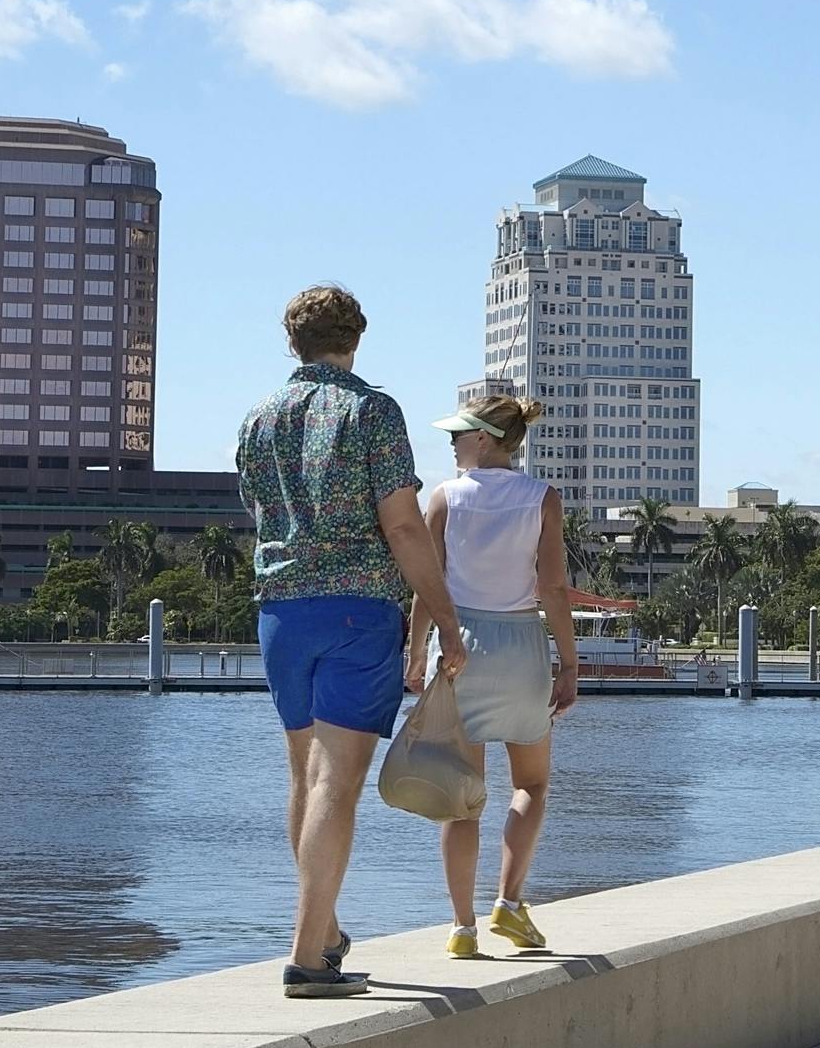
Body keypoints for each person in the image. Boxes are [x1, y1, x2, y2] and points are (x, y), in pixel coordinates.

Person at [238, 285, 467, 998]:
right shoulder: (372, 411)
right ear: (355, 338)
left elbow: (260, 510)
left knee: (303, 777)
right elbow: (402, 525)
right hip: (355, 611)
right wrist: (445, 620)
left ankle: (326, 929)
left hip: (280, 612)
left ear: (293, 343)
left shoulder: (259, 418)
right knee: (336, 782)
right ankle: (308, 956)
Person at [407, 394, 580, 957]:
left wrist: (415, 653)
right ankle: (509, 901)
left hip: (460, 646)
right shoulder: (542, 498)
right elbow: (552, 588)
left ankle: (463, 928)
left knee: (461, 797)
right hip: (521, 643)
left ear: (484, 439)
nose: (452, 443)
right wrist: (570, 662)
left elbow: (427, 586)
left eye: (458, 434)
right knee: (531, 783)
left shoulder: (444, 498)